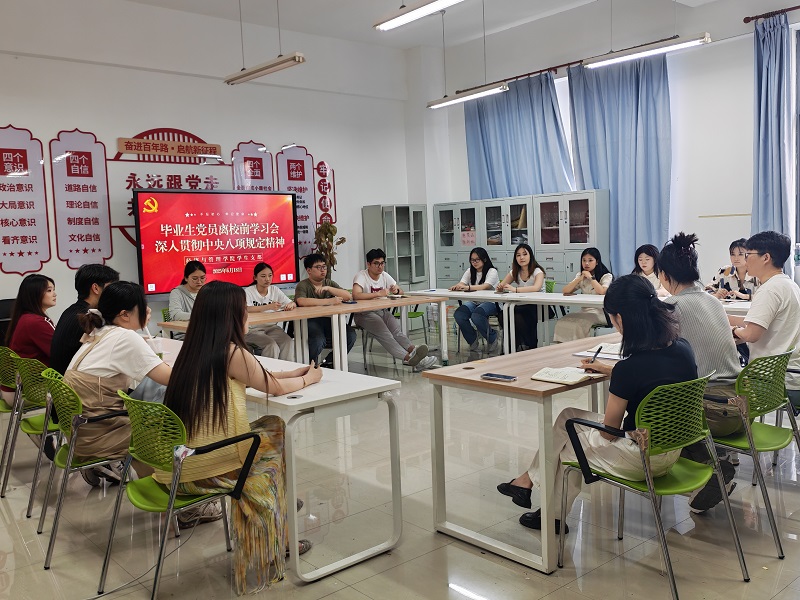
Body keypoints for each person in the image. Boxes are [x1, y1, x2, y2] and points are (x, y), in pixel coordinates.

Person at [496, 275, 698, 533]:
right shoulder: (683, 348)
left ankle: (547, 510)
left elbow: (609, 432)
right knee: (568, 418)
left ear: (620, 318)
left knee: (568, 443)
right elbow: (652, 375)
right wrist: (610, 370)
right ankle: (526, 485)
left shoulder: (630, 368)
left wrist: (619, 375)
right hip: (672, 450)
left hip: (640, 459)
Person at [160, 281, 321, 593]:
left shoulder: (193, 349)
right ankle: (276, 539)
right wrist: (310, 378)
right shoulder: (232, 351)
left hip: (180, 463)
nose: (248, 314)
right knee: (272, 446)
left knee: (270, 428)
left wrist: (292, 373)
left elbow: (256, 377)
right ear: (231, 315)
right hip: (207, 468)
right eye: (243, 310)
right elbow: (273, 388)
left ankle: (280, 507)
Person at [659, 232, 739, 512]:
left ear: (664, 275)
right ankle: (711, 465)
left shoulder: (672, 307)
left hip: (712, 411)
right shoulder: (714, 301)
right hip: (740, 404)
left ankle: (708, 468)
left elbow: (654, 359)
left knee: (652, 405)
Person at [65, 282, 172, 487]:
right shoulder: (124, 336)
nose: (148, 311)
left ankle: (110, 467)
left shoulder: (98, 331)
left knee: (151, 388)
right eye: (144, 306)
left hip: (81, 430)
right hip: (99, 435)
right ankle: (167, 487)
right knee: (169, 414)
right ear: (124, 314)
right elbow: (171, 378)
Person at [729, 231, 800, 411]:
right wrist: (728, 318)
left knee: (716, 390)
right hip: (790, 376)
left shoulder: (769, 290)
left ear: (766, 257)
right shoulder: (788, 284)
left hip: (771, 383)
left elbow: (751, 335)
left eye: (748, 254)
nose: (745, 260)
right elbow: (766, 322)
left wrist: (733, 330)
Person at [352, 249, 437, 371]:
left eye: (382, 263)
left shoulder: (384, 275)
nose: (380, 266)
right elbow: (356, 295)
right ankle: (409, 359)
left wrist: (396, 291)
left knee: (397, 332)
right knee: (386, 335)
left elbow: (400, 291)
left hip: (381, 311)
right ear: (368, 264)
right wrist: (378, 294)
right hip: (364, 314)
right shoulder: (361, 276)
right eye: (376, 263)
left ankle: (418, 356)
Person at [50, 264, 120, 375]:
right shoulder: (90, 317)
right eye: (111, 288)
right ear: (95, 288)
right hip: (74, 382)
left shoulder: (71, 310)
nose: (115, 293)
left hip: (61, 381)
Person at [294, 253, 357, 367]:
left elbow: (348, 296)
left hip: (329, 320)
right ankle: (311, 365)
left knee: (350, 334)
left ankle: (328, 362)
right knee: (318, 340)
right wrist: (328, 301)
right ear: (309, 270)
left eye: (324, 267)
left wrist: (328, 288)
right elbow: (301, 301)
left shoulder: (328, 283)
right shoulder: (303, 285)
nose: (323, 270)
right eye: (318, 267)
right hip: (310, 321)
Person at [553, 247, 613, 343]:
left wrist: (590, 277)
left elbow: (602, 291)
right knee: (562, 321)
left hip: (601, 313)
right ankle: (563, 348)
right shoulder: (580, 275)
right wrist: (579, 279)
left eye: (590, 260)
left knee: (578, 324)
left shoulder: (606, 276)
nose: (586, 263)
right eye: (584, 260)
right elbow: (565, 290)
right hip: (585, 311)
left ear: (597, 262)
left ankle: (580, 347)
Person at [450, 247, 501, 354]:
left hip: (492, 302)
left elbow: (485, 286)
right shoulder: (470, 271)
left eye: (477, 259)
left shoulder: (492, 271)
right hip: (475, 302)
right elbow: (462, 283)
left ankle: (492, 337)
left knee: (477, 315)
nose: (474, 262)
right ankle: (472, 340)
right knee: (459, 314)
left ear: (484, 259)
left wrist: (468, 287)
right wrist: (456, 286)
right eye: (472, 260)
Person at [496, 243, 545, 350]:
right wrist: (500, 287)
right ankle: (514, 345)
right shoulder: (515, 272)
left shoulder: (537, 271)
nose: (521, 257)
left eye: (524, 254)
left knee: (516, 316)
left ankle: (528, 344)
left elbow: (536, 288)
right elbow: (502, 285)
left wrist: (515, 290)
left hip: (537, 305)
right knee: (503, 315)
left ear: (530, 255)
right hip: (521, 304)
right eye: (518, 255)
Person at [244, 262, 295, 360]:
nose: (267, 279)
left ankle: (285, 368)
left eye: (270, 275)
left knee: (287, 341)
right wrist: (268, 307)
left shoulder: (275, 290)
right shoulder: (249, 291)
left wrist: (291, 304)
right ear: (255, 277)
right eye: (263, 276)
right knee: (271, 345)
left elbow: (291, 303)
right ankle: (268, 370)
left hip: (272, 327)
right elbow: (247, 308)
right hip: (252, 329)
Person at [6, 274, 57, 366]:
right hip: (42, 373)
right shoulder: (36, 322)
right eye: (49, 290)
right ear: (34, 294)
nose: (54, 294)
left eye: (54, 290)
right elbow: (60, 352)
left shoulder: (26, 318)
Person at [168, 260, 206, 327]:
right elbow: (175, 315)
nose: (199, 281)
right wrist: (200, 316)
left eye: (202, 278)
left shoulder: (207, 291)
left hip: (204, 329)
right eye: (195, 278)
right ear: (186, 278)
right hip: (184, 331)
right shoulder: (177, 292)